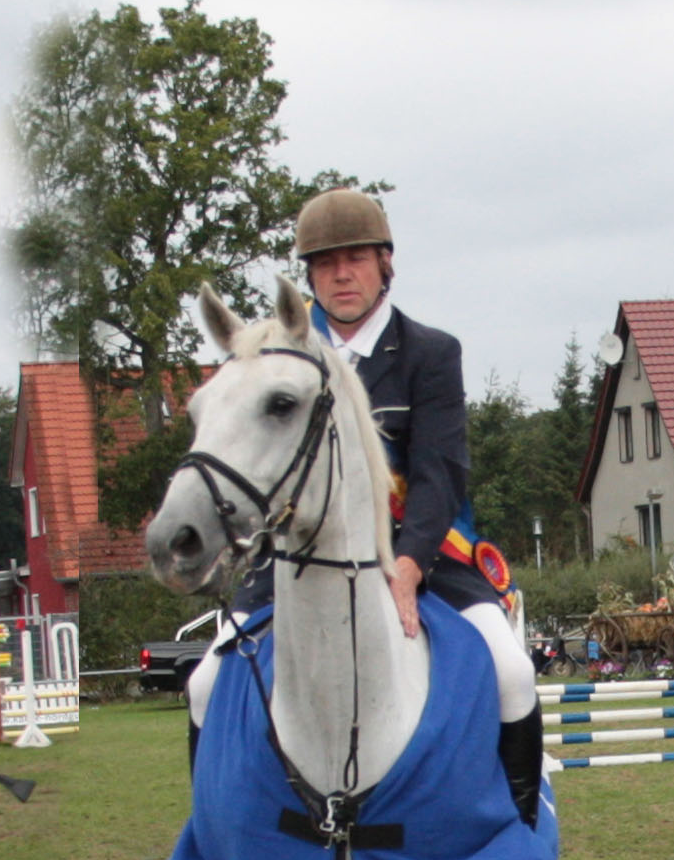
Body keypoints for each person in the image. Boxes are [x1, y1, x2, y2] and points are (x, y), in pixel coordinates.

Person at [228, 188, 542, 824]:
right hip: (295, 560)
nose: (342, 274)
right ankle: (216, 838)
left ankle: (519, 832)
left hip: (423, 551)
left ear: (384, 264)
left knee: (512, 673)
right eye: (325, 262)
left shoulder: (430, 353)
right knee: (208, 683)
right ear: (310, 275)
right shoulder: (275, 362)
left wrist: (408, 565)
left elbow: (439, 472)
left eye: (356, 258)